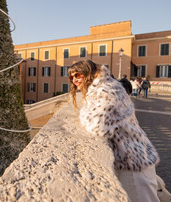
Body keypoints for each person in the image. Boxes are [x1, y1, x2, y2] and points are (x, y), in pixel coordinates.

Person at [68, 60, 160, 202]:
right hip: (132, 159)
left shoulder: (107, 89)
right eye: (71, 77)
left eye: (78, 75)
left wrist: (84, 114)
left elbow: (98, 125)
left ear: (89, 73)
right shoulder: (101, 88)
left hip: (133, 164)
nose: (74, 80)